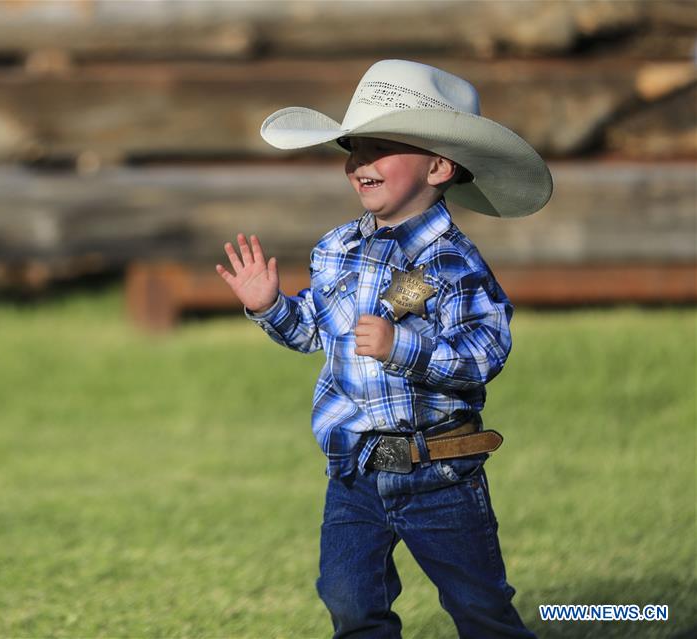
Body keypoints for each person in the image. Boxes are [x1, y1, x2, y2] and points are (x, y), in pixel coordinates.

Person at [214, 60, 552, 638]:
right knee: (349, 601)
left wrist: (405, 347)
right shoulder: (337, 248)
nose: (359, 162)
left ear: (439, 167)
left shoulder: (453, 262)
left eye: (381, 146)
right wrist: (270, 307)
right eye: (353, 147)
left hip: (439, 471)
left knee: (479, 607)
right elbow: (319, 331)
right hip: (355, 470)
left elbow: (487, 349)